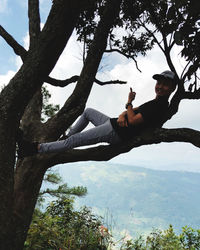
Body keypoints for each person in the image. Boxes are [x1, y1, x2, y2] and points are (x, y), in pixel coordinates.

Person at [17, 70, 176, 159]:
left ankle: (34, 149)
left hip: (115, 132)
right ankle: (65, 139)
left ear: (172, 88)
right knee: (88, 112)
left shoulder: (159, 106)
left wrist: (128, 103)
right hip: (114, 123)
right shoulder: (156, 103)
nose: (160, 87)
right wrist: (123, 113)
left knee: (74, 141)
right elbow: (130, 112)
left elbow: (133, 119)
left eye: (165, 85)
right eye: (159, 83)